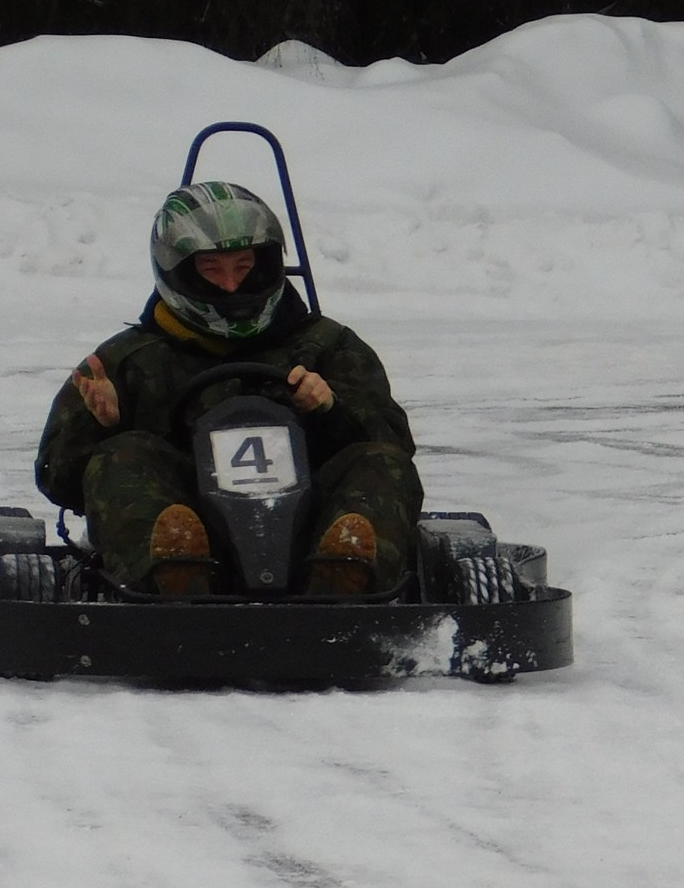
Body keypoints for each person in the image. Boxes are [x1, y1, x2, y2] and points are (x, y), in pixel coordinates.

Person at [33, 180, 422, 596]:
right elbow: (59, 479)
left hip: (308, 528)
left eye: (243, 266)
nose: (232, 285)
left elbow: (394, 448)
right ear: (179, 271)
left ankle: (343, 577)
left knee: (380, 461)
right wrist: (103, 426)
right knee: (122, 455)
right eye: (212, 269)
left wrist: (330, 408)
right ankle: (177, 578)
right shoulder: (127, 361)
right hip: (193, 522)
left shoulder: (330, 347)